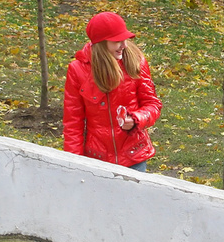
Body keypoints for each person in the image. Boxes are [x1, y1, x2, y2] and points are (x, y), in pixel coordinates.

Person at [63, 12, 162, 172]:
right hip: (97, 160)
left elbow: (152, 105)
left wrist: (137, 119)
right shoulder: (78, 70)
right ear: (101, 43)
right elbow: (73, 123)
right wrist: (74, 164)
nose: (124, 45)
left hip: (133, 157)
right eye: (117, 41)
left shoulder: (136, 61)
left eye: (125, 39)